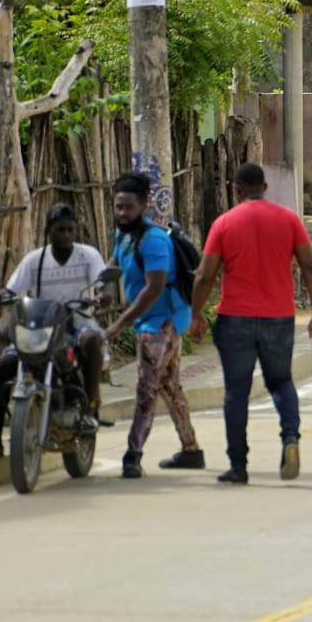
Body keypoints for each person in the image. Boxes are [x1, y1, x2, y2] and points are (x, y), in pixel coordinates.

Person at [186, 165, 312, 486]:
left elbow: (206, 275)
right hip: (278, 318)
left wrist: (195, 315)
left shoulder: (224, 223)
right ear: (264, 186)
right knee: (281, 382)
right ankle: (290, 437)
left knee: (236, 391)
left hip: (234, 319)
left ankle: (239, 465)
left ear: (236, 190)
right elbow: (311, 268)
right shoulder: (289, 219)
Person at [0, 203, 108, 460]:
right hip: (44, 325)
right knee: (3, 367)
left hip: (78, 321)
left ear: (76, 230)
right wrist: (0, 295)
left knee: (91, 340)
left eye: (69, 229)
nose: (65, 235)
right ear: (48, 232)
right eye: (59, 230)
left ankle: (89, 408)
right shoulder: (35, 260)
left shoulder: (88, 256)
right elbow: (12, 289)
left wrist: (102, 296)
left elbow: (102, 285)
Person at [105, 172, 205, 479]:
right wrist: (103, 288)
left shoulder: (154, 241)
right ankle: (192, 451)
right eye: (119, 206)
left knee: (146, 389)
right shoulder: (124, 235)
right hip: (153, 321)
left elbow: (154, 288)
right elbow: (114, 264)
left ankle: (133, 454)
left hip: (163, 323)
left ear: (144, 206)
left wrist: (120, 324)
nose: (123, 213)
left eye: (129, 207)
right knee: (169, 388)